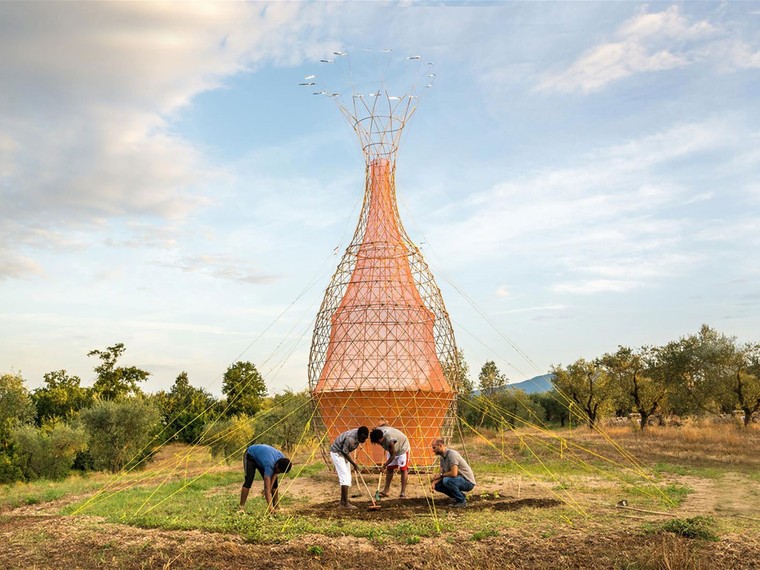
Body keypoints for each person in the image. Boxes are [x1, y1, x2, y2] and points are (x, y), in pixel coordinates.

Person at [239, 443, 292, 514]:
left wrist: (270, 488)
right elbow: (266, 487)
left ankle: (276, 506)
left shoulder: (283, 460)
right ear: (276, 465)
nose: (278, 473)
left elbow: (275, 474)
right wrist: (270, 507)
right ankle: (241, 508)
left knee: (275, 484)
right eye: (278, 471)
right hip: (250, 455)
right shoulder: (269, 464)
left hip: (262, 458)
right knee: (249, 480)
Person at [330, 426, 369, 509]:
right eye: (363, 438)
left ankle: (343, 501)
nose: (364, 440)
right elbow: (345, 452)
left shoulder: (357, 435)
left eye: (366, 438)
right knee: (344, 477)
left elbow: (345, 451)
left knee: (348, 478)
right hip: (337, 453)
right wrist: (354, 464)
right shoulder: (350, 439)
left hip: (343, 452)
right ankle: (344, 503)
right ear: (360, 435)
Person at [430, 438, 476, 507]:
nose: (433, 450)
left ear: (440, 446)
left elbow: (454, 473)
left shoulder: (452, 455)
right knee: (438, 485)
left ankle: (461, 501)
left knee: (447, 480)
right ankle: (459, 496)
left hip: (468, 481)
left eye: (434, 448)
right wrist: (433, 483)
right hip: (457, 479)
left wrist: (441, 475)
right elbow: (442, 473)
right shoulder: (442, 458)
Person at [370, 425, 410, 499]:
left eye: (379, 442)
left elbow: (393, 456)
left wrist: (383, 466)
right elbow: (384, 425)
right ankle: (386, 491)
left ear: (382, 437)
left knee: (403, 470)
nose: (379, 444)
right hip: (391, 450)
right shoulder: (377, 431)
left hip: (402, 448)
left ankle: (403, 493)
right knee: (390, 469)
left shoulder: (390, 441)